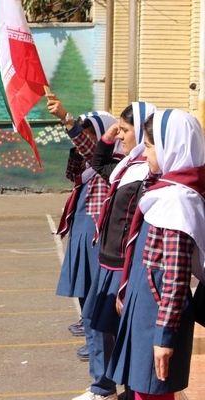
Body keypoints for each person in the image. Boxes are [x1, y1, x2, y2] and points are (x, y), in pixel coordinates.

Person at [108, 109, 205, 399]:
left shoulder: (178, 201)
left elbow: (174, 279)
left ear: (170, 147)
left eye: (150, 146)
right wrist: (127, 294)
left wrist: (164, 337)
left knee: (152, 393)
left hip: (158, 319)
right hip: (146, 312)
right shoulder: (165, 191)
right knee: (143, 391)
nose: (145, 152)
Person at [80, 102, 156, 400]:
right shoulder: (128, 167)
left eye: (126, 130)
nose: (121, 136)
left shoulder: (146, 174)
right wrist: (108, 135)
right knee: (97, 322)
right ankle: (104, 386)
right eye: (120, 130)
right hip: (108, 259)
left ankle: (119, 389)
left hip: (122, 263)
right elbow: (100, 164)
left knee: (119, 329)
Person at [47, 95, 118, 400]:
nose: (85, 138)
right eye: (84, 130)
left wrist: (67, 119)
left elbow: (91, 151)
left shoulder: (110, 166)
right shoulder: (87, 171)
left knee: (98, 311)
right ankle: (99, 376)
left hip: (97, 244)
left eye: (92, 131)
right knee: (88, 311)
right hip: (81, 241)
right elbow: (79, 163)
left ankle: (103, 386)